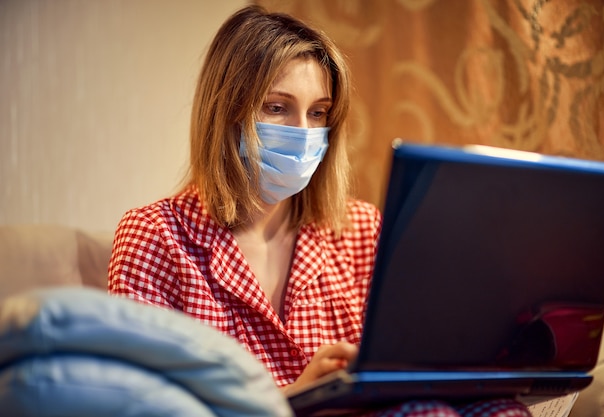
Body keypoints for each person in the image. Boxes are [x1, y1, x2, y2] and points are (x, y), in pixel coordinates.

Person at [108, 5, 532, 417]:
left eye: (318, 113)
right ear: (226, 114)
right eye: (277, 108)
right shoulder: (155, 236)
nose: (304, 133)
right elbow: (141, 404)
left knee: (499, 408)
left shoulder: (360, 228)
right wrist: (298, 395)